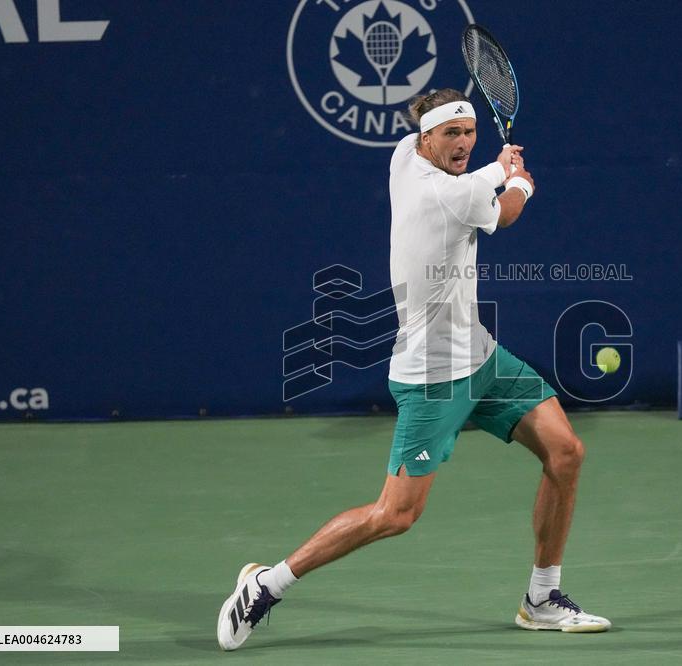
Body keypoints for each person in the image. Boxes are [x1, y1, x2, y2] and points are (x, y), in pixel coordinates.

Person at [216, 89, 610, 651]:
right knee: (394, 515)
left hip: (481, 357)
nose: (464, 143)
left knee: (566, 452)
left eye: (469, 132)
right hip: (433, 376)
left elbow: (477, 182)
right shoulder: (446, 194)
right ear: (427, 138)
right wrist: (517, 176)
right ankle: (266, 584)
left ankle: (542, 599)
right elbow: (505, 208)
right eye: (451, 134)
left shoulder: (403, 153)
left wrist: (494, 171)